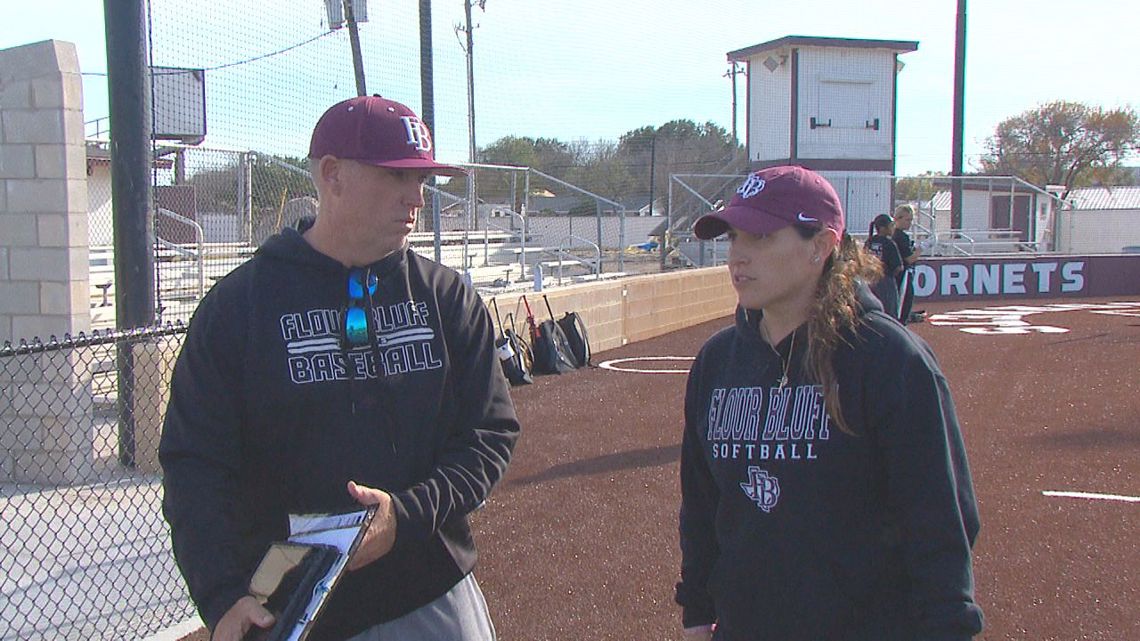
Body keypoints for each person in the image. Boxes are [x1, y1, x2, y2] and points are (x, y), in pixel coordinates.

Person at [160, 95, 521, 641]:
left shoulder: (447, 298)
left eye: (422, 179)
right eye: (396, 176)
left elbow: (490, 434)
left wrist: (405, 515)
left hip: (429, 593)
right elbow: (195, 464)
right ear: (332, 175)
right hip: (291, 607)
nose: (416, 198)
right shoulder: (239, 308)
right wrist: (221, 593)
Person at [676, 165, 983, 640]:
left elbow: (939, 522)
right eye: (733, 237)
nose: (737, 255)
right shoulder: (717, 363)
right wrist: (698, 610)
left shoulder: (888, 359)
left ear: (819, 246)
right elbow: (701, 505)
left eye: (761, 237)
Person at [864, 213, 903, 320]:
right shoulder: (889, 243)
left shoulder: (869, 242)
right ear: (882, 228)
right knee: (890, 312)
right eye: (891, 225)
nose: (893, 228)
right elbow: (898, 267)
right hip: (886, 281)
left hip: (870, 280)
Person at [892, 204, 921, 324]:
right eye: (907, 220)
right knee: (904, 304)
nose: (910, 223)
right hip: (902, 276)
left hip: (893, 277)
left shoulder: (893, 234)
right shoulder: (901, 236)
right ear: (898, 219)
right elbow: (909, 259)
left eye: (911, 220)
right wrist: (920, 250)